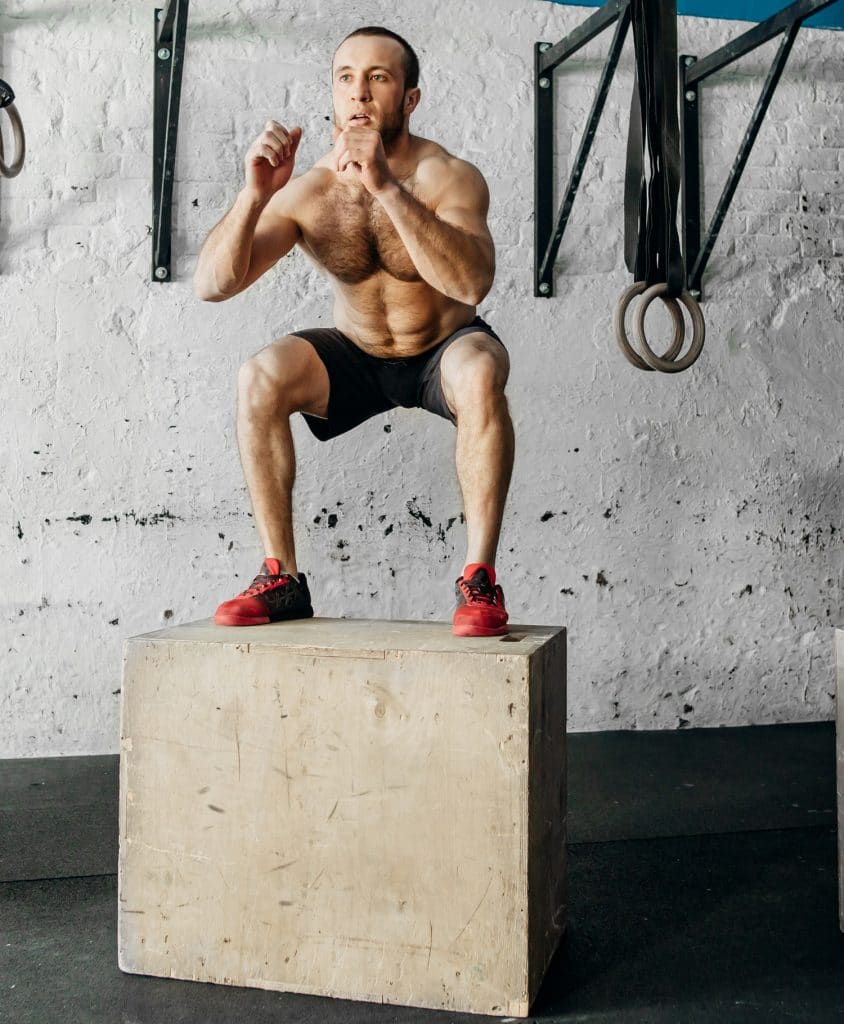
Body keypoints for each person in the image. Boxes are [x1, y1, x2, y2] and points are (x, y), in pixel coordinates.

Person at [193, 26, 515, 637]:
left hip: (443, 348)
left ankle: (479, 579)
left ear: (410, 99)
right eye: (346, 78)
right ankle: (281, 577)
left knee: (479, 372)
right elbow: (212, 284)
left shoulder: (449, 177)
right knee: (259, 376)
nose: (359, 92)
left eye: (378, 77)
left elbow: (472, 284)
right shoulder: (310, 188)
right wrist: (254, 195)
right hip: (357, 352)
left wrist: (385, 187)